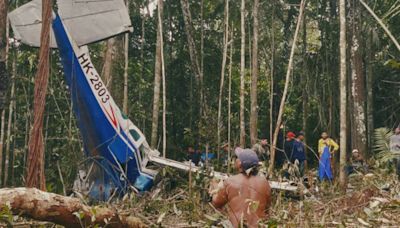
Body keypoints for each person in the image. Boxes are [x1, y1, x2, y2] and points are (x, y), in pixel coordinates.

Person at [209, 148, 271, 227]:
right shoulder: (265, 183)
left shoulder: (230, 181)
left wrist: (214, 189)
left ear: (240, 164)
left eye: (237, 158)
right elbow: (267, 209)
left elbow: (216, 204)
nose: (235, 160)